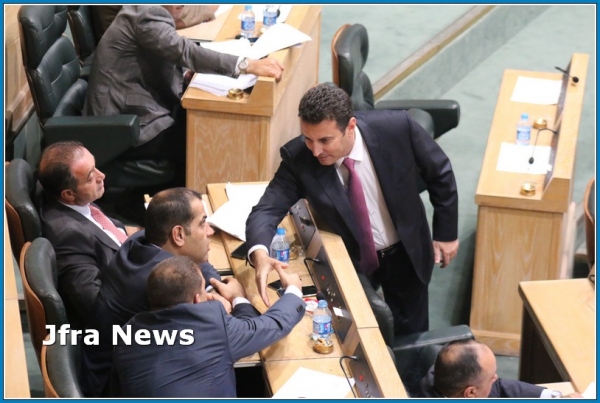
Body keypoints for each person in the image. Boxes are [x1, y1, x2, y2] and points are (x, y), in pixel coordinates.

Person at [245, 83, 459, 337]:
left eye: (325, 140)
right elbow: (266, 210)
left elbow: (440, 173)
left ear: (350, 127)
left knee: (410, 334)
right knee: (361, 333)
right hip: (353, 260)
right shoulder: (299, 158)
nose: (315, 151)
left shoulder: (397, 128)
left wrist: (446, 234)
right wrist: (259, 253)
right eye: (308, 139)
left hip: (407, 251)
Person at [84, 5, 284, 185]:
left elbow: (166, 51)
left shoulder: (152, 11)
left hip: (135, 103)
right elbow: (185, 52)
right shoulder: (147, 15)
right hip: (124, 122)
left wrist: (186, 72)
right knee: (205, 141)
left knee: (209, 129)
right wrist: (247, 65)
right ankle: (180, 203)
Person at [80, 187, 221, 397]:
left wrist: (211, 286)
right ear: (178, 234)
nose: (210, 231)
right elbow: (215, 326)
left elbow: (199, 262)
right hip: (115, 388)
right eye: (202, 223)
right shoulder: (163, 282)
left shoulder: (142, 241)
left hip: (105, 364)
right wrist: (233, 297)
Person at [111, 255, 306, 397]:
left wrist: (238, 300)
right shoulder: (211, 326)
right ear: (196, 300)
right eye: (204, 291)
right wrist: (293, 290)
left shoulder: (127, 334)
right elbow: (273, 325)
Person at [38, 141, 134, 328]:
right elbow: (96, 309)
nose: (101, 175)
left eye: (95, 167)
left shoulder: (76, 202)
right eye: (91, 177)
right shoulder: (69, 237)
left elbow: (112, 232)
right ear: (68, 194)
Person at [418, 339, 581, 398]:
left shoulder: (445, 377)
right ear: (471, 393)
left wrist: (553, 397)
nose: (496, 377)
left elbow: (500, 386)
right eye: (491, 376)